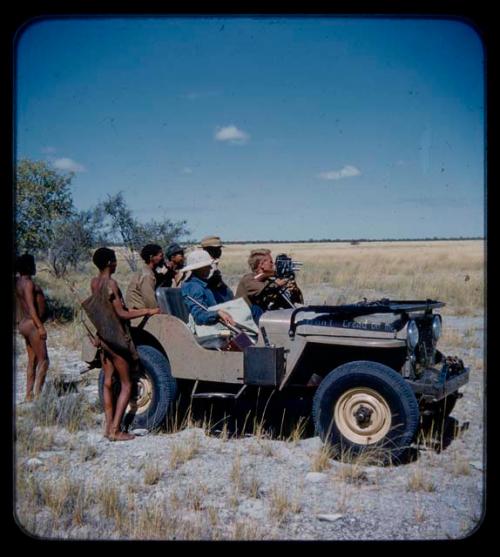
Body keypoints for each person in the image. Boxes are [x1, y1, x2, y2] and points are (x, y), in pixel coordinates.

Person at [88, 247, 160, 441]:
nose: (116, 263)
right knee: (127, 384)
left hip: (104, 337)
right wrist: (147, 311)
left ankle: (108, 427)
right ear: (110, 263)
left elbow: (100, 310)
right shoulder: (111, 283)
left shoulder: (94, 282)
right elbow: (121, 314)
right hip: (117, 338)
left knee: (109, 382)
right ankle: (115, 430)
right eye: (114, 260)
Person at [15, 254, 49, 402]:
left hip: (24, 323)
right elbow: (31, 308)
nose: (35, 266)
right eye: (33, 264)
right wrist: (40, 327)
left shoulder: (19, 282)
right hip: (32, 324)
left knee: (33, 360)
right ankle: (38, 395)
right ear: (29, 266)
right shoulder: (28, 283)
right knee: (44, 360)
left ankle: (28, 394)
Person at [236, 249, 303, 323]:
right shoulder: (248, 279)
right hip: (243, 319)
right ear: (261, 264)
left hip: (256, 319)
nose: (273, 265)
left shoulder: (268, 281)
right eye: (271, 262)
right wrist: (277, 283)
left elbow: (290, 303)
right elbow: (262, 288)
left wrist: (294, 291)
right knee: (256, 308)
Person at [180, 249, 236, 329]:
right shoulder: (193, 287)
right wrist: (217, 314)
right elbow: (199, 316)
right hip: (206, 329)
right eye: (207, 266)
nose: (210, 268)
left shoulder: (204, 284)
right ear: (200, 268)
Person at [125, 244, 164, 313]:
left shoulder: (148, 271)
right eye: (160, 256)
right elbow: (151, 303)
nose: (162, 259)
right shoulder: (147, 275)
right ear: (151, 257)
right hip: (138, 314)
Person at [200, 235, 234, 303]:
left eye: (219, 249)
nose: (219, 251)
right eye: (215, 249)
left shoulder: (213, 262)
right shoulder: (204, 264)